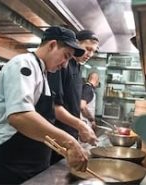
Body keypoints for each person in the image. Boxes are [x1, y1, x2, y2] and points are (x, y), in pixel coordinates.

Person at [0, 26, 89, 185]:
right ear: (52, 45)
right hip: (11, 165)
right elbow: (20, 116)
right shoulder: (23, 64)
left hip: (31, 165)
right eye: (66, 56)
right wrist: (69, 141)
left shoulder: (43, 74)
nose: (64, 65)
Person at [48, 30, 100, 165]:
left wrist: (78, 129)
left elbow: (72, 105)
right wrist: (81, 126)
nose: (90, 54)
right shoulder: (61, 65)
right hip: (56, 136)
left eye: (93, 51)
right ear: (76, 44)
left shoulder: (77, 67)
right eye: (88, 49)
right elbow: (54, 106)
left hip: (69, 136)